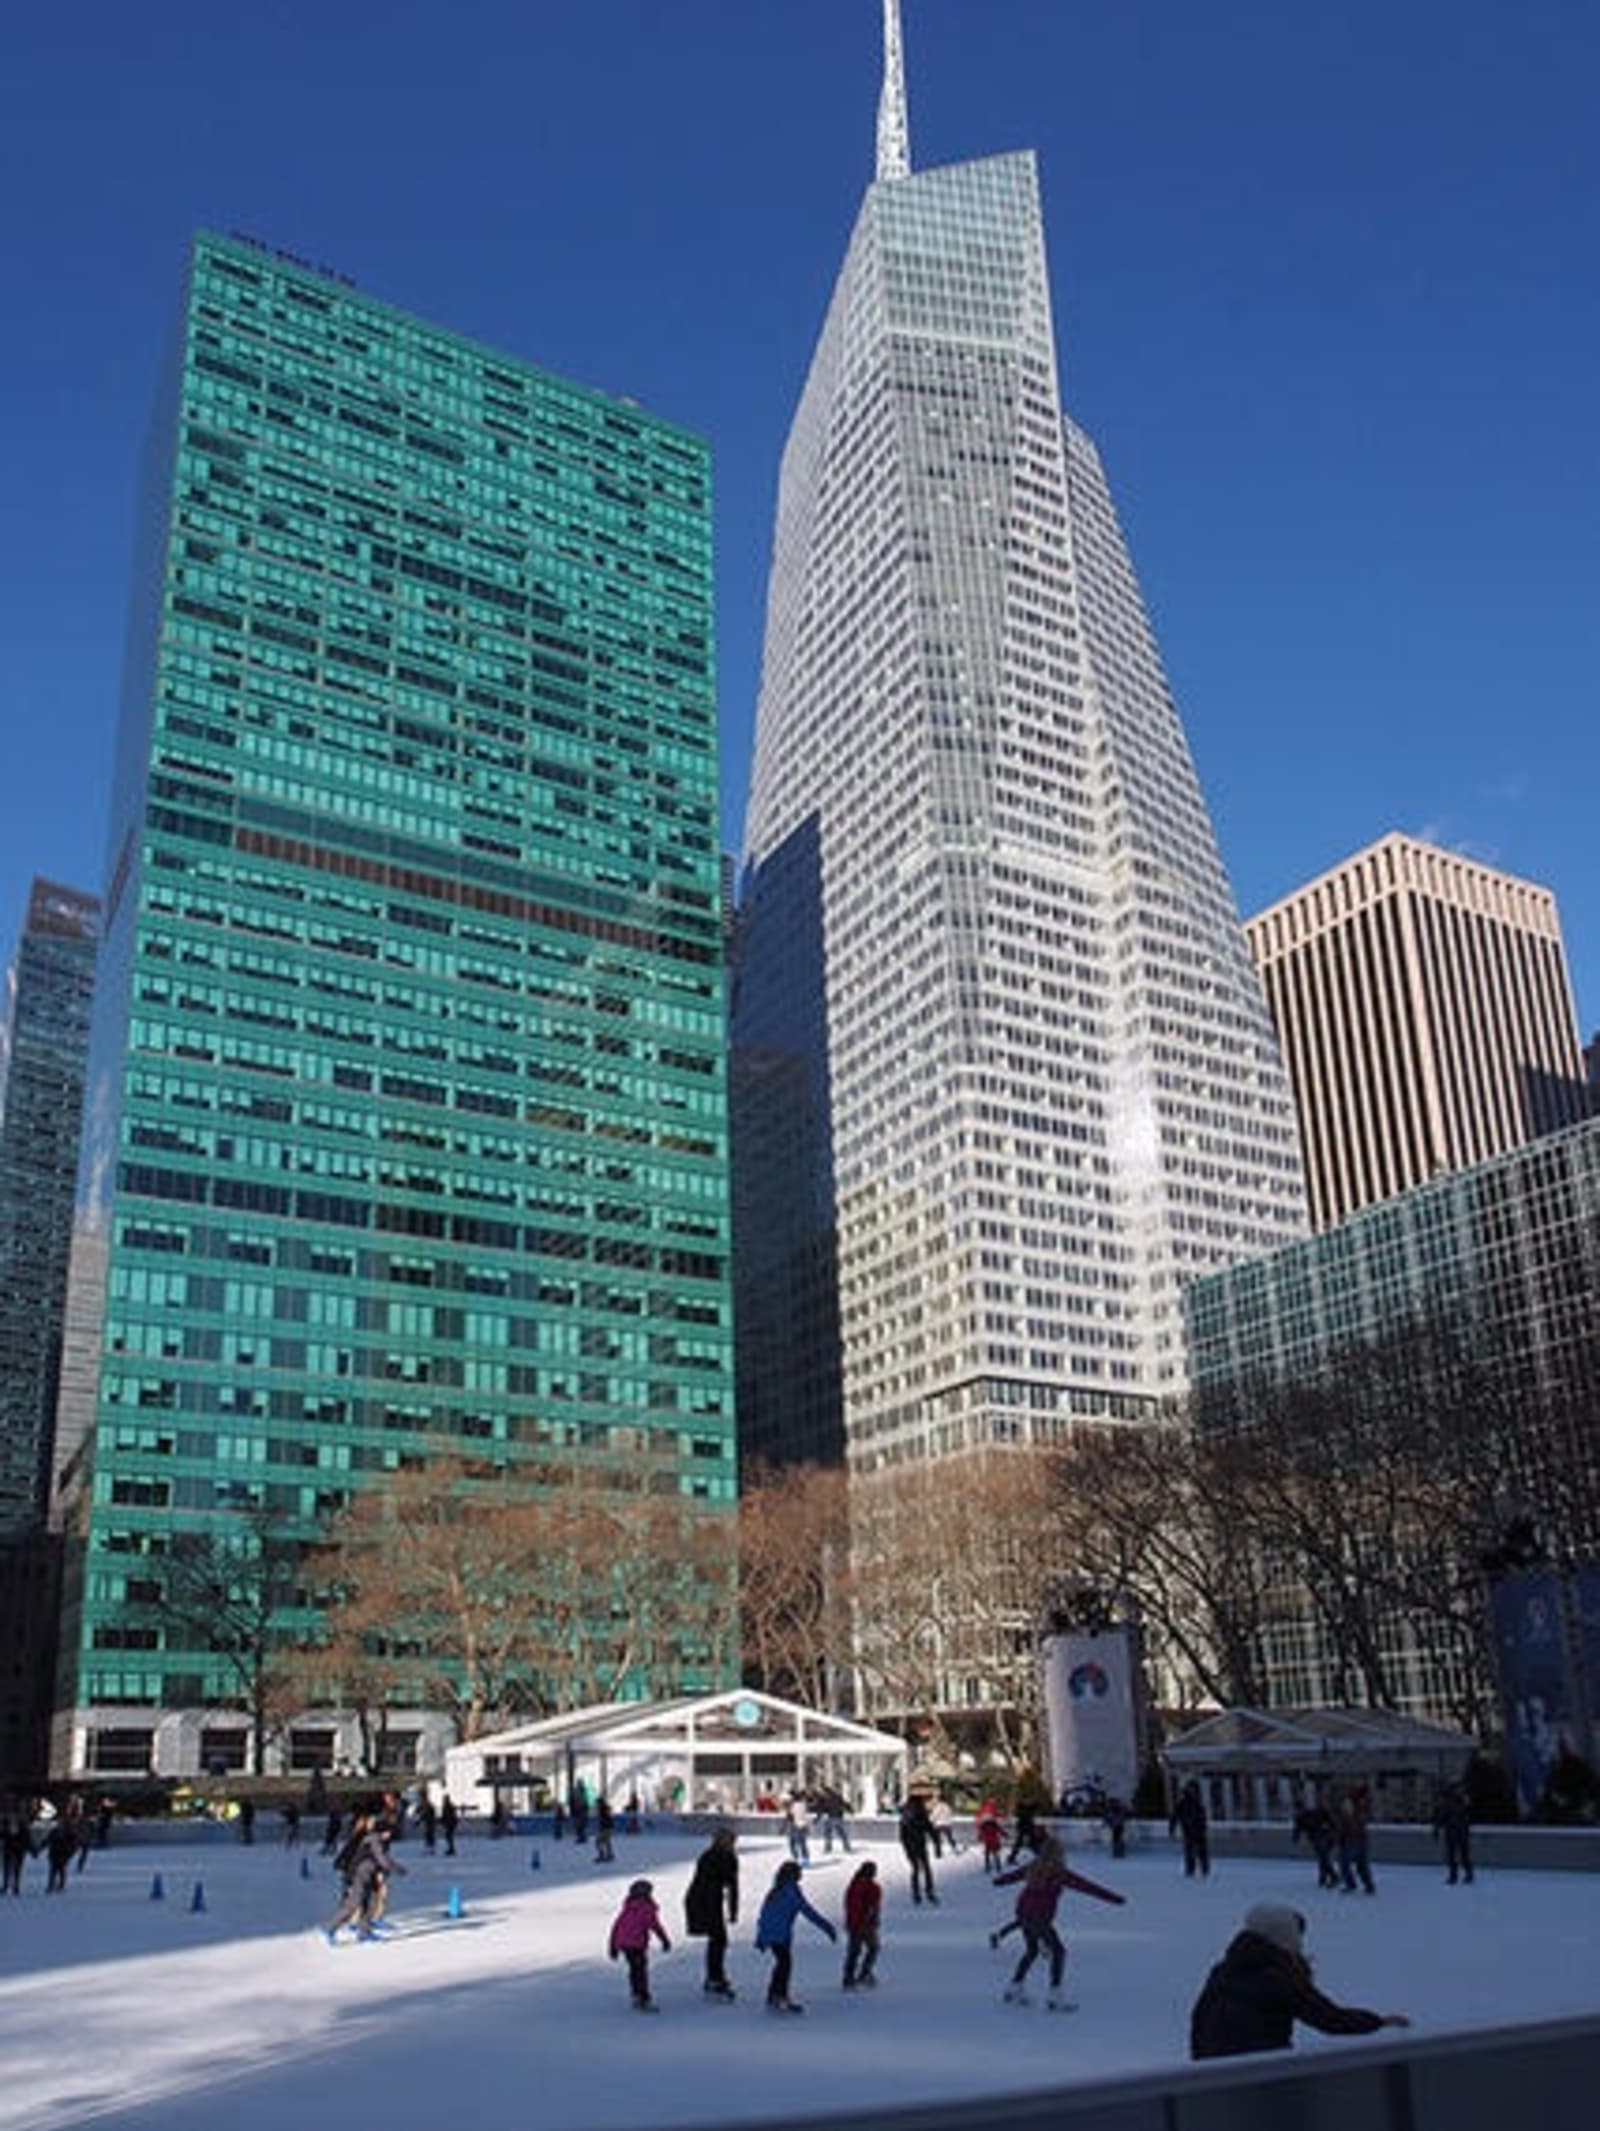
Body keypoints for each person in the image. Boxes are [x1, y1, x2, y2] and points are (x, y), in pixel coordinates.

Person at [1189, 1902, 1410, 2059]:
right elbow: (1329, 2018)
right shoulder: (1276, 1979)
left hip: (1215, 2068)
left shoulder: (1223, 1969)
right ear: (1285, 1939)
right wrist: (1378, 2022)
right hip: (1257, 2073)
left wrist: (1201, 2067)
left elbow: (1199, 2019)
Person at [993, 1834, 1125, 2010]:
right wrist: (1115, 1899)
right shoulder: (1059, 1873)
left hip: (1023, 1913)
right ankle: (1054, 1996)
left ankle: (1014, 1988)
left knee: (1032, 1951)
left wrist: (998, 1881)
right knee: (1058, 1952)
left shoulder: (1033, 1867)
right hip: (1040, 1917)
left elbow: (1008, 1878)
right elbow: (1088, 1887)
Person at [754, 1858, 836, 2013]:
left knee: (782, 1963)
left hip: (774, 1934)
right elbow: (808, 1911)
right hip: (780, 1934)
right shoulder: (791, 1891)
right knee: (785, 1963)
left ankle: (774, 1994)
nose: (801, 1875)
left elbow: (764, 1915)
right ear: (792, 1874)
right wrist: (827, 1927)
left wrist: (761, 1937)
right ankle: (779, 1996)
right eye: (799, 1872)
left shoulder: (776, 1889)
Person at [684, 1826, 740, 1998]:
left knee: (717, 1940)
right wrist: (733, 1911)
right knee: (718, 1940)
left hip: (701, 1899)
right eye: (732, 1841)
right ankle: (714, 1978)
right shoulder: (726, 1857)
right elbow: (732, 1885)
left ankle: (714, 1977)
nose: (734, 1844)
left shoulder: (708, 1854)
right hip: (707, 1901)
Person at [608, 1877, 671, 2012]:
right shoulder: (646, 1908)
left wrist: (613, 1947)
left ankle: (637, 1994)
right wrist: (664, 1940)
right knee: (640, 1970)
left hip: (626, 1944)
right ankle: (642, 1997)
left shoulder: (627, 1908)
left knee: (636, 1969)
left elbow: (616, 1928)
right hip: (636, 1945)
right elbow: (655, 1925)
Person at [841, 1860, 882, 1990]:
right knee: (872, 1948)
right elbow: (870, 1907)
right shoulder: (869, 1887)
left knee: (855, 1951)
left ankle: (850, 1977)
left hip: (856, 1923)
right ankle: (862, 1974)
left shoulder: (855, 1884)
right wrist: (870, 1919)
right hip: (863, 1924)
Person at [1431, 1781, 1474, 1886]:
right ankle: (1454, 1875)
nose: (1458, 1791)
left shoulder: (1463, 1800)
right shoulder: (1448, 1802)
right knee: (1452, 1855)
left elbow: (1468, 1813)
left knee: (1464, 1854)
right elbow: (1441, 1816)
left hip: (1460, 1831)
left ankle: (1468, 1874)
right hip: (1452, 1831)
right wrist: (1436, 1829)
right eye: (1456, 1789)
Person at [897, 1793, 937, 1905]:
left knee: (915, 1868)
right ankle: (929, 1891)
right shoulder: (920, 1812)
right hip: (920, 1843)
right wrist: (936, 1842)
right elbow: (929, 1827)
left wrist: (905, 1845)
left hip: (910, 1844)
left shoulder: (905, 1814)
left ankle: (916, 1893)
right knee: (926, 1868)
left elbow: (902, 1832)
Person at [1292, 1797, 1339, 1889]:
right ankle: (1324, 1877)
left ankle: (1333, 1877)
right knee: (1322, 1858)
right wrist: (1296, 1838)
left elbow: (1329, 1819)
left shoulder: (1313, 1813)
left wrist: (1333, 1829)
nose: (1297, 1812)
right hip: (1318, 1837)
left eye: (1298, 1809)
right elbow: (1297, 1829)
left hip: (1325, 1836)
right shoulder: (1300, 1818)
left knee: (1323, 1857)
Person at [1336, 1785, 1375, 1895]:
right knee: (1361, 1863)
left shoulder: (1351, 1804)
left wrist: (1342, 1834)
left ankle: (1351, 1884)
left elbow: (1347, 1822)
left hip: (1351, 1838)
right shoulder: (1364, 1806)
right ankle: (1369, 1885)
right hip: (1360, 1837)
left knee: (1345, 1863)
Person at [1170, 1780, 1210, 1878]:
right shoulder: (1182, 1803)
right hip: (1188, 1830)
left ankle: (1204, 1869)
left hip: (1199, 1830)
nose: (1192, 1791)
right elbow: (1174, 1816)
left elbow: (1202, 1816)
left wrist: (1203, 1826)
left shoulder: (1198, 1802)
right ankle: (1190, 1869)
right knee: (1189, 1851)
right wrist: (1172, 1829)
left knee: (1202, 1851)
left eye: (1193, 1789)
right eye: (1190, 1788)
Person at [2, 1805, 32, 1895]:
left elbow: (27, 1839)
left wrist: (32, 1849)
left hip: (18, 1850)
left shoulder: (23, 1826)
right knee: (7, 1869)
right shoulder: (6, 1825)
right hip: (9, 1849)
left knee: (17, 1869)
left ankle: (15, 1886)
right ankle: (6, 1886)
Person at [816, 1784, 852, 1854]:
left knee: (828, 1832)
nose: (821, 1794)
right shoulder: (837, 1796)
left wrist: (818, 1818)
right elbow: (844, 1804)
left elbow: (822, 1809)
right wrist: (850, 1810)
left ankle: (828, 1848)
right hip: (838, 1817)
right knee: (841, 1832)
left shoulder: (826, 1798)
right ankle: (846, 1847)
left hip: (833, 1817)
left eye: (822, 1792)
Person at [45, 1816, 77, 1894]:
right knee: (53, 1870)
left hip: (63, 1854)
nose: (60, 1825)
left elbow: (74, 1844)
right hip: (54, 1853)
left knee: (61, 1870)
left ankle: (60, 1886)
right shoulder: (55, 1831)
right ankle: (51, 1886)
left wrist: (70, 1853)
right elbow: (47, 1840)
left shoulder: (70, 1833)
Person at [975, 1798, 1005, 1876]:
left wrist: (979, 1835)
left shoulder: (984, 1824)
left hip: (988, 1840)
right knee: (994, 1853)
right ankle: (997, 1866)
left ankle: (988, 1866)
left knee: (988, 1853)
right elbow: (999, 1829)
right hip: (993, 1840)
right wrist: (1004, 1834)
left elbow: (978, 1819)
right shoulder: (993, 1823)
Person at [784, 1790, 812, 1864]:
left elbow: (790, 1816)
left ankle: (798, 1857)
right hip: (801, 1825)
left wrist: (787, 1810)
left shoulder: (795, 1806)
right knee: (800, 1843)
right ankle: (803, 1858)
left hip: (797, 1826)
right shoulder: (802, 1804)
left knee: (794, 1843)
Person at [1102, 1796, 1129, 1861]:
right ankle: (1117, 1852)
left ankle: (1119, 1852)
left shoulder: (1120, 1808)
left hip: (1118, 1826)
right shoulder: (1111, 1809)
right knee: (1116, 1839)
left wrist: (1115, 1823)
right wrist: (1109, 1823)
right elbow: (1107, 1818)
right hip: (1116, 1825)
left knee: (1118, 1838)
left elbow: (1121, 1817)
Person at [594, 1793, 615, 1863]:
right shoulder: (604, 1809)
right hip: (608, 1828)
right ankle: (609, 1855)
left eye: (597, 1803)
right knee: (606, 1841)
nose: (596, 1805)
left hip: (606, 1828)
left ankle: (603, 1855)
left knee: (598, 1842)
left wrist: (602, 1827)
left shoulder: (603, 1810)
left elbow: (605, 1819)